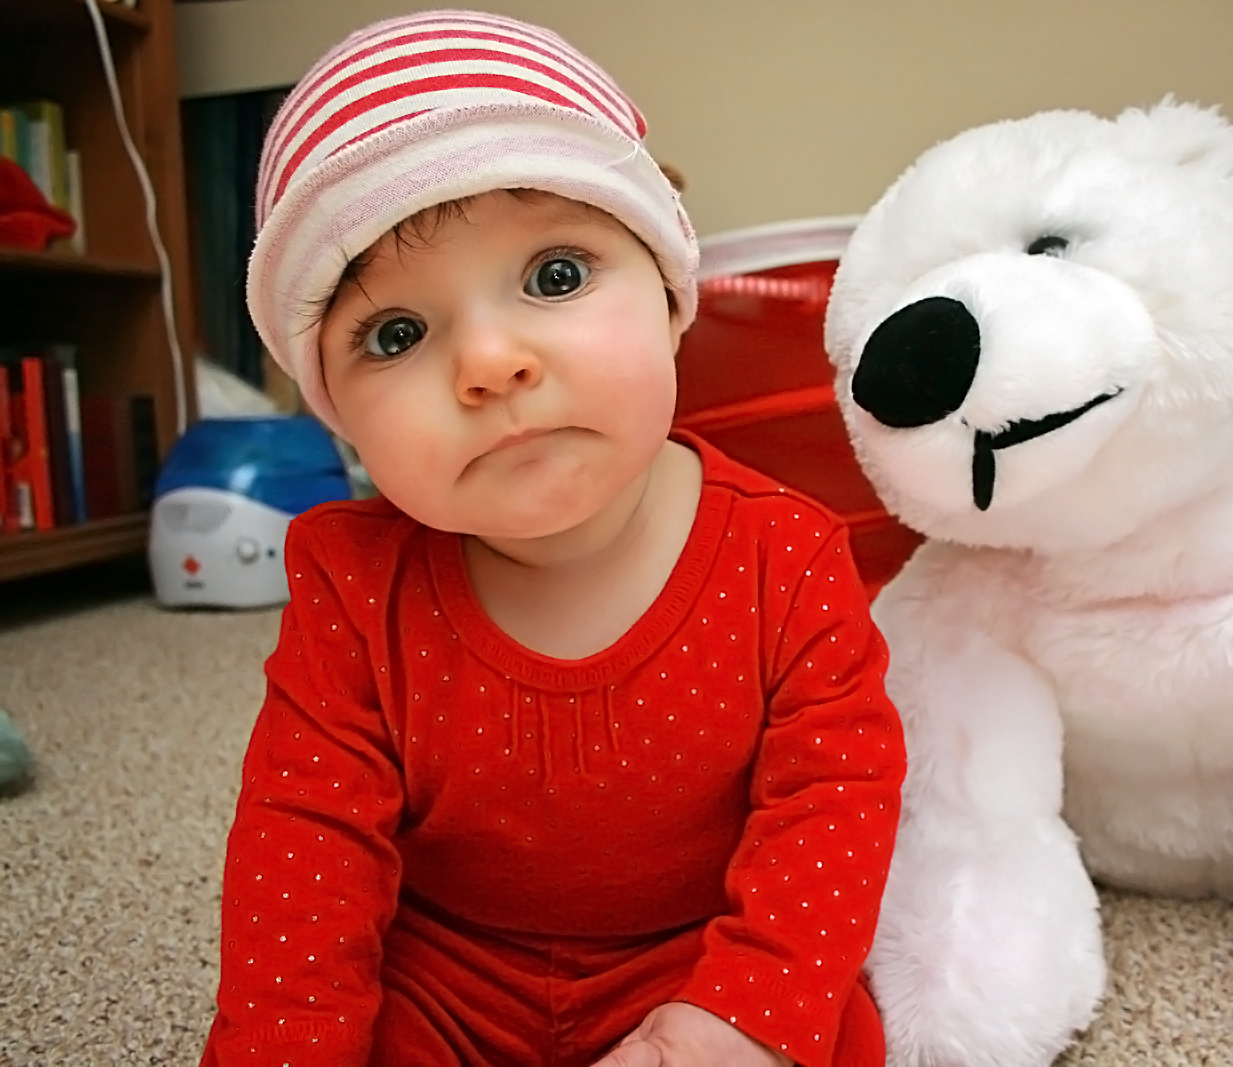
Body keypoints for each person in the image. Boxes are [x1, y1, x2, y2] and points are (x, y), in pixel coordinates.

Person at [199, 11, 905, 1066]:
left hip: (694, 953)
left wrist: (741, 1013)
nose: (490, 362)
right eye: (397, 333)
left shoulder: (786, 556)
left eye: (556, 276)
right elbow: (303, 852)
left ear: (673, 297)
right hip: (443, 972)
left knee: (835, 1029)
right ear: (338, 414)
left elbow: (834, 806)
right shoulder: (351, 582)